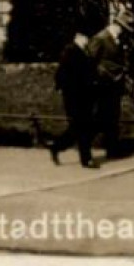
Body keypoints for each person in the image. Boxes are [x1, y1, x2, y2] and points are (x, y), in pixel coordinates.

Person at [48, 32, 99, 168]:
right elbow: (61, 73)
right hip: (74, 97)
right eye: (85, 37)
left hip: (85, 96)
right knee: (82, 127)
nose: (87, 40)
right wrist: (63, 89)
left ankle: (56, 146)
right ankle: (86, 159)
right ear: (77, 37)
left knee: (78, 128)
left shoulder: (84, 51)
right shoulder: (70, 51)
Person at [87, 16, 128, 160]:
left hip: (114, 85)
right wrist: (103, 74)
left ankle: (112, 150)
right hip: (103, 84)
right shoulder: (101, 38)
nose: (123, 31)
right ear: (115, 24)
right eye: (122, 28)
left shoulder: (117, 40)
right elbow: (91, 61)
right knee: (101, 118)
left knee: (113, 117)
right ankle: (75, 144)